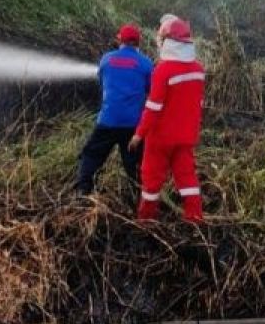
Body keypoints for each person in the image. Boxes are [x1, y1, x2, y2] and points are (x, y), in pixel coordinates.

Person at [129, 14, 205, 223]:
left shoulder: (163, 70)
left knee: (151, 179)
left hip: (161, 138)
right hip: (186, 136)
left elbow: (153, 108)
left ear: (168, 42)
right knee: (187, 178)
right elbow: (197, 105)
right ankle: (196, 219)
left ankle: (145, 220)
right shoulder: (198, 70)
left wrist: (139, 134)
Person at [76, 24, 154, 195]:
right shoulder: (146, 63)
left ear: (120, 40)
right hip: (132, 125)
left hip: (108, 120)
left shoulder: (106, 59)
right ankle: (139, 196)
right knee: (135, 163)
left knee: (92, 155)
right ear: (138, 43)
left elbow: (103, 81)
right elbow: (151, 90)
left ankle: (83, 190)